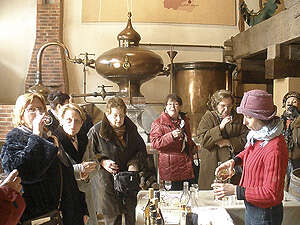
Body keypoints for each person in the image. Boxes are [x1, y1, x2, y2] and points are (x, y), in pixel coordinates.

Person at [0, 93, 89, 225]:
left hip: (62, 214)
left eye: (41, 109)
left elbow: (67, 175)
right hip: (36, 218)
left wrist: (81, 208)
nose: (38, 113)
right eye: (32, 109)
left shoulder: (49, 139)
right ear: (21, 115)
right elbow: (27, 172)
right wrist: (36, 135)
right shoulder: (13, 141)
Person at [212, 89, 288, 225]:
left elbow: (271, 194)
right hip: (253, 205)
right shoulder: (260, 135)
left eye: (249, 117)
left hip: (265, 213)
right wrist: (234, 161)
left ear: (263, 118)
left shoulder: (275, 147)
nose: (244, 123)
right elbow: (250, 152)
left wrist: (235, 190)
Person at [87, 97, 147, 225]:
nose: (119, 119)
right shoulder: (96, 132)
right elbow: (88, 155)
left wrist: (134, 164)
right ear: (107, 114)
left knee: (131, 218)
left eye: (121, 115)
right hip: (108, 183)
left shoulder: (131, 130)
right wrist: (102, 162)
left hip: (129, 182)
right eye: (115, 115)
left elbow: (141, 151)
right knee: (113, 220)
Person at [54, 103, 98, 225]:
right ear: (61, 121)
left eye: (77, 121)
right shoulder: (54, 141)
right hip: (68, 195)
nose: (73, 124)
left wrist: (90, 171)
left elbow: (96, 162)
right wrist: (80, 169)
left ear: (82, 123)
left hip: (86, 193)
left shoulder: (84, 139)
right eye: (69, 120)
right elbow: (56, 172)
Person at [197, 89, 248, 189]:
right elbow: (203, 141)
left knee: (233, 195)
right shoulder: (208, 117)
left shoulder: (238, 118)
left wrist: (229, 142)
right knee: (210, 194)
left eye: (229, 106)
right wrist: (220, 128)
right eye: (223, 105)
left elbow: (247, 138)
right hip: (212, 162)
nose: (226, 109)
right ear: (216, 105)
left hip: (233, 163)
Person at [150, 94, 197, 190]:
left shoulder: (185, 121)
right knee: (172, 197)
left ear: (180, 107)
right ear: (165, 107)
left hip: (186, 164)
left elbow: (188, 139)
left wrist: (193, 147)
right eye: (169, 104)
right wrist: (171, 136)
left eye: (176, 104)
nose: (172, 107)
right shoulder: (158, 123)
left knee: (187, 195)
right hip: (170, 167)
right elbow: (155, 143)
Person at [281, 91, 300, 190]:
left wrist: (297, 119)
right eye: (289, 102)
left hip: (297, 160)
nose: (291, 104)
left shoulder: (298, 123)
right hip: (283, 158)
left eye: (295, 102)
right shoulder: (280, 121)